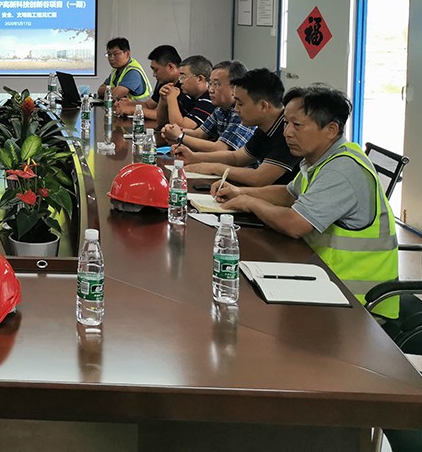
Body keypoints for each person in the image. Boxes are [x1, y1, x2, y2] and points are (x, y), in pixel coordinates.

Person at [217, 86, 399, 317]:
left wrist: (249, 203)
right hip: (323, 279)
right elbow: (289, 194)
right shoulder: (320, 159)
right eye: (286, 123)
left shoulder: (342, 169)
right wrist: (239, 192)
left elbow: (295, 224)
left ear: (331, 130)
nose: (287, 133)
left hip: (357, 304)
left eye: (297, 125)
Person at [173, 68, 298, 186]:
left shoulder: (288, 132)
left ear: (263, 106)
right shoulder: (265, 127)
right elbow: (237, 157)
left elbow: (259, 178)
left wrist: (215, 168)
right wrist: (194, 157)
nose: (236, 109)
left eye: (240, 104)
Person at [163, 60, 255, 152]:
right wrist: (172, 131)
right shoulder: (220, 110)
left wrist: (179, 136)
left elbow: (221, 148)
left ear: (235, 87)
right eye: (210, 84)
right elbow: (199, 134)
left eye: (216, 84)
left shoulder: (242, 112)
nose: (210, 90)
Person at [115, 44, 182, 120]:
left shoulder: (185, 85)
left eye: (156, 70)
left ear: (170, 67)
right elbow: (148, 105)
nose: (154, 74)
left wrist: (134, 110)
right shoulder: (164, 82)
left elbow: (164, 117)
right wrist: (128, 104)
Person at [155, 54, 214, 130]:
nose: (180, 81)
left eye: (183, 77)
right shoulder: (188, 96)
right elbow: (162, 122)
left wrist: (171, 97)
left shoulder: (210, 100)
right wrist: (163, 100)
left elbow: (179, 128)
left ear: (199, 79)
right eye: (179, 77)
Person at [96, 37, 152, 102]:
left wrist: (110, 90)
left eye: (116, 54)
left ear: (127, 54)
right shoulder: (115, 71)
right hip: (122, 107)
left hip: (139, 108)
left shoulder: (133, 72)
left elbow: (114, 96)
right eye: (109, 54)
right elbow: (100, 90)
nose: (111, 58)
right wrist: (114, 89)